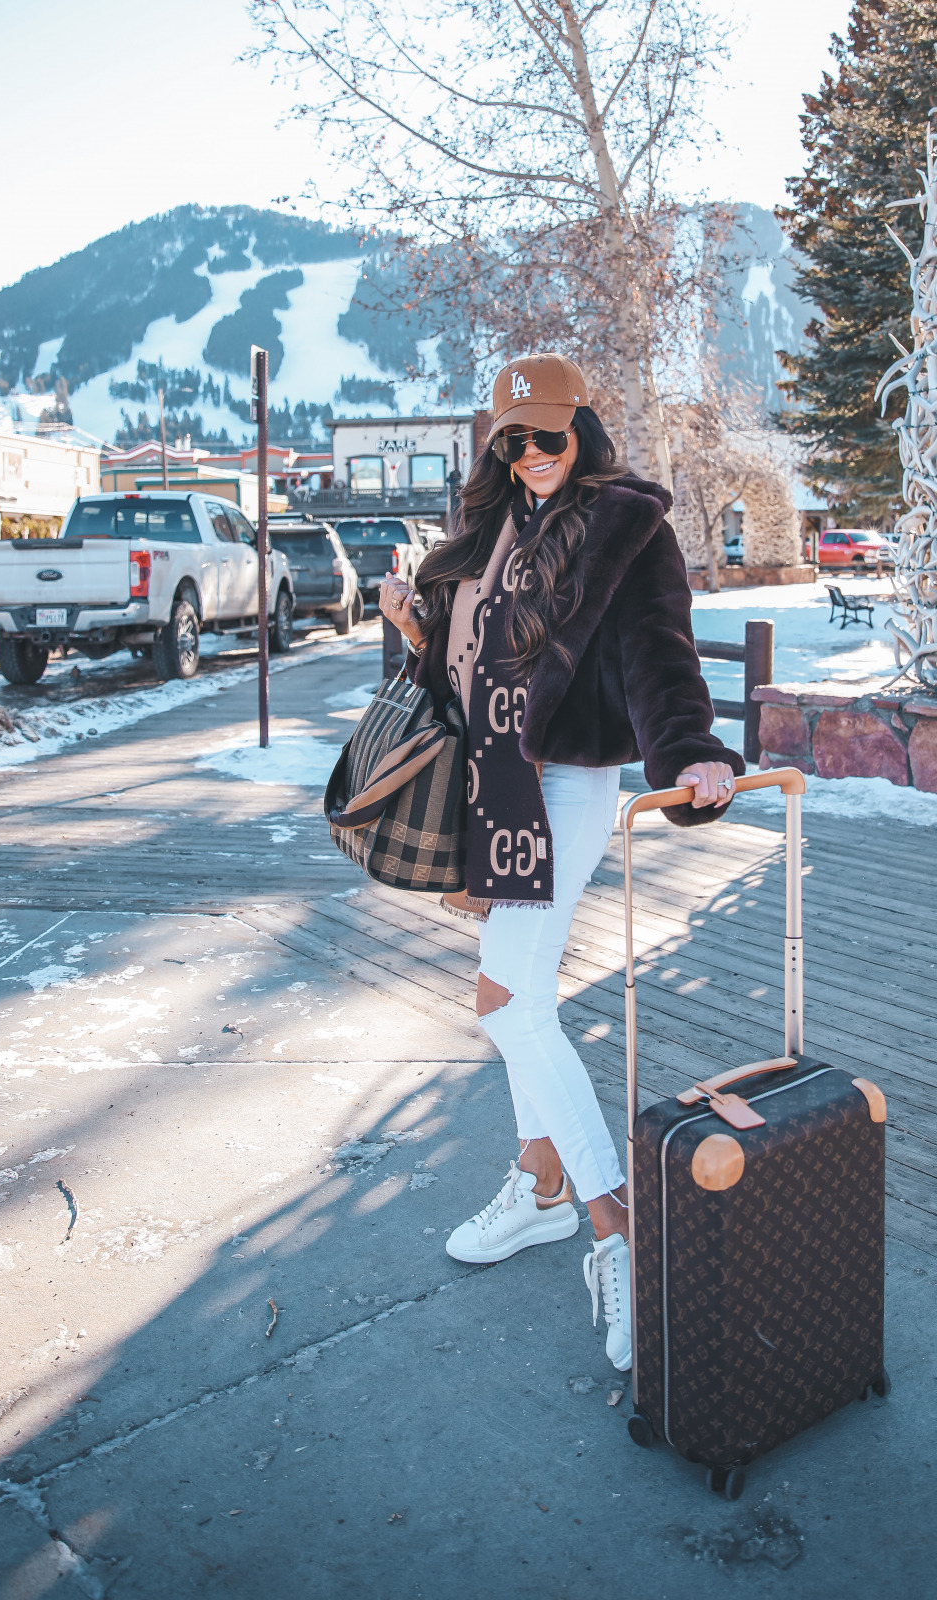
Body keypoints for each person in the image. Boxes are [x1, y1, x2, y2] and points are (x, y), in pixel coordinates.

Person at [378, 353, 743, 1372]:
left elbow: (659, 653)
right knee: (519, 993)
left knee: (504, 1004)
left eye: (549, 434)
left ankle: (614, 1229)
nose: (533, 455)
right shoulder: (493, 534)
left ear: (583, 426)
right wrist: (415, 625)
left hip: (566, 784)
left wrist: (690, 752)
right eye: (513, 441)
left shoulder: (625, 525)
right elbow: (465, 674)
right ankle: (540, 1191)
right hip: (493, 784)